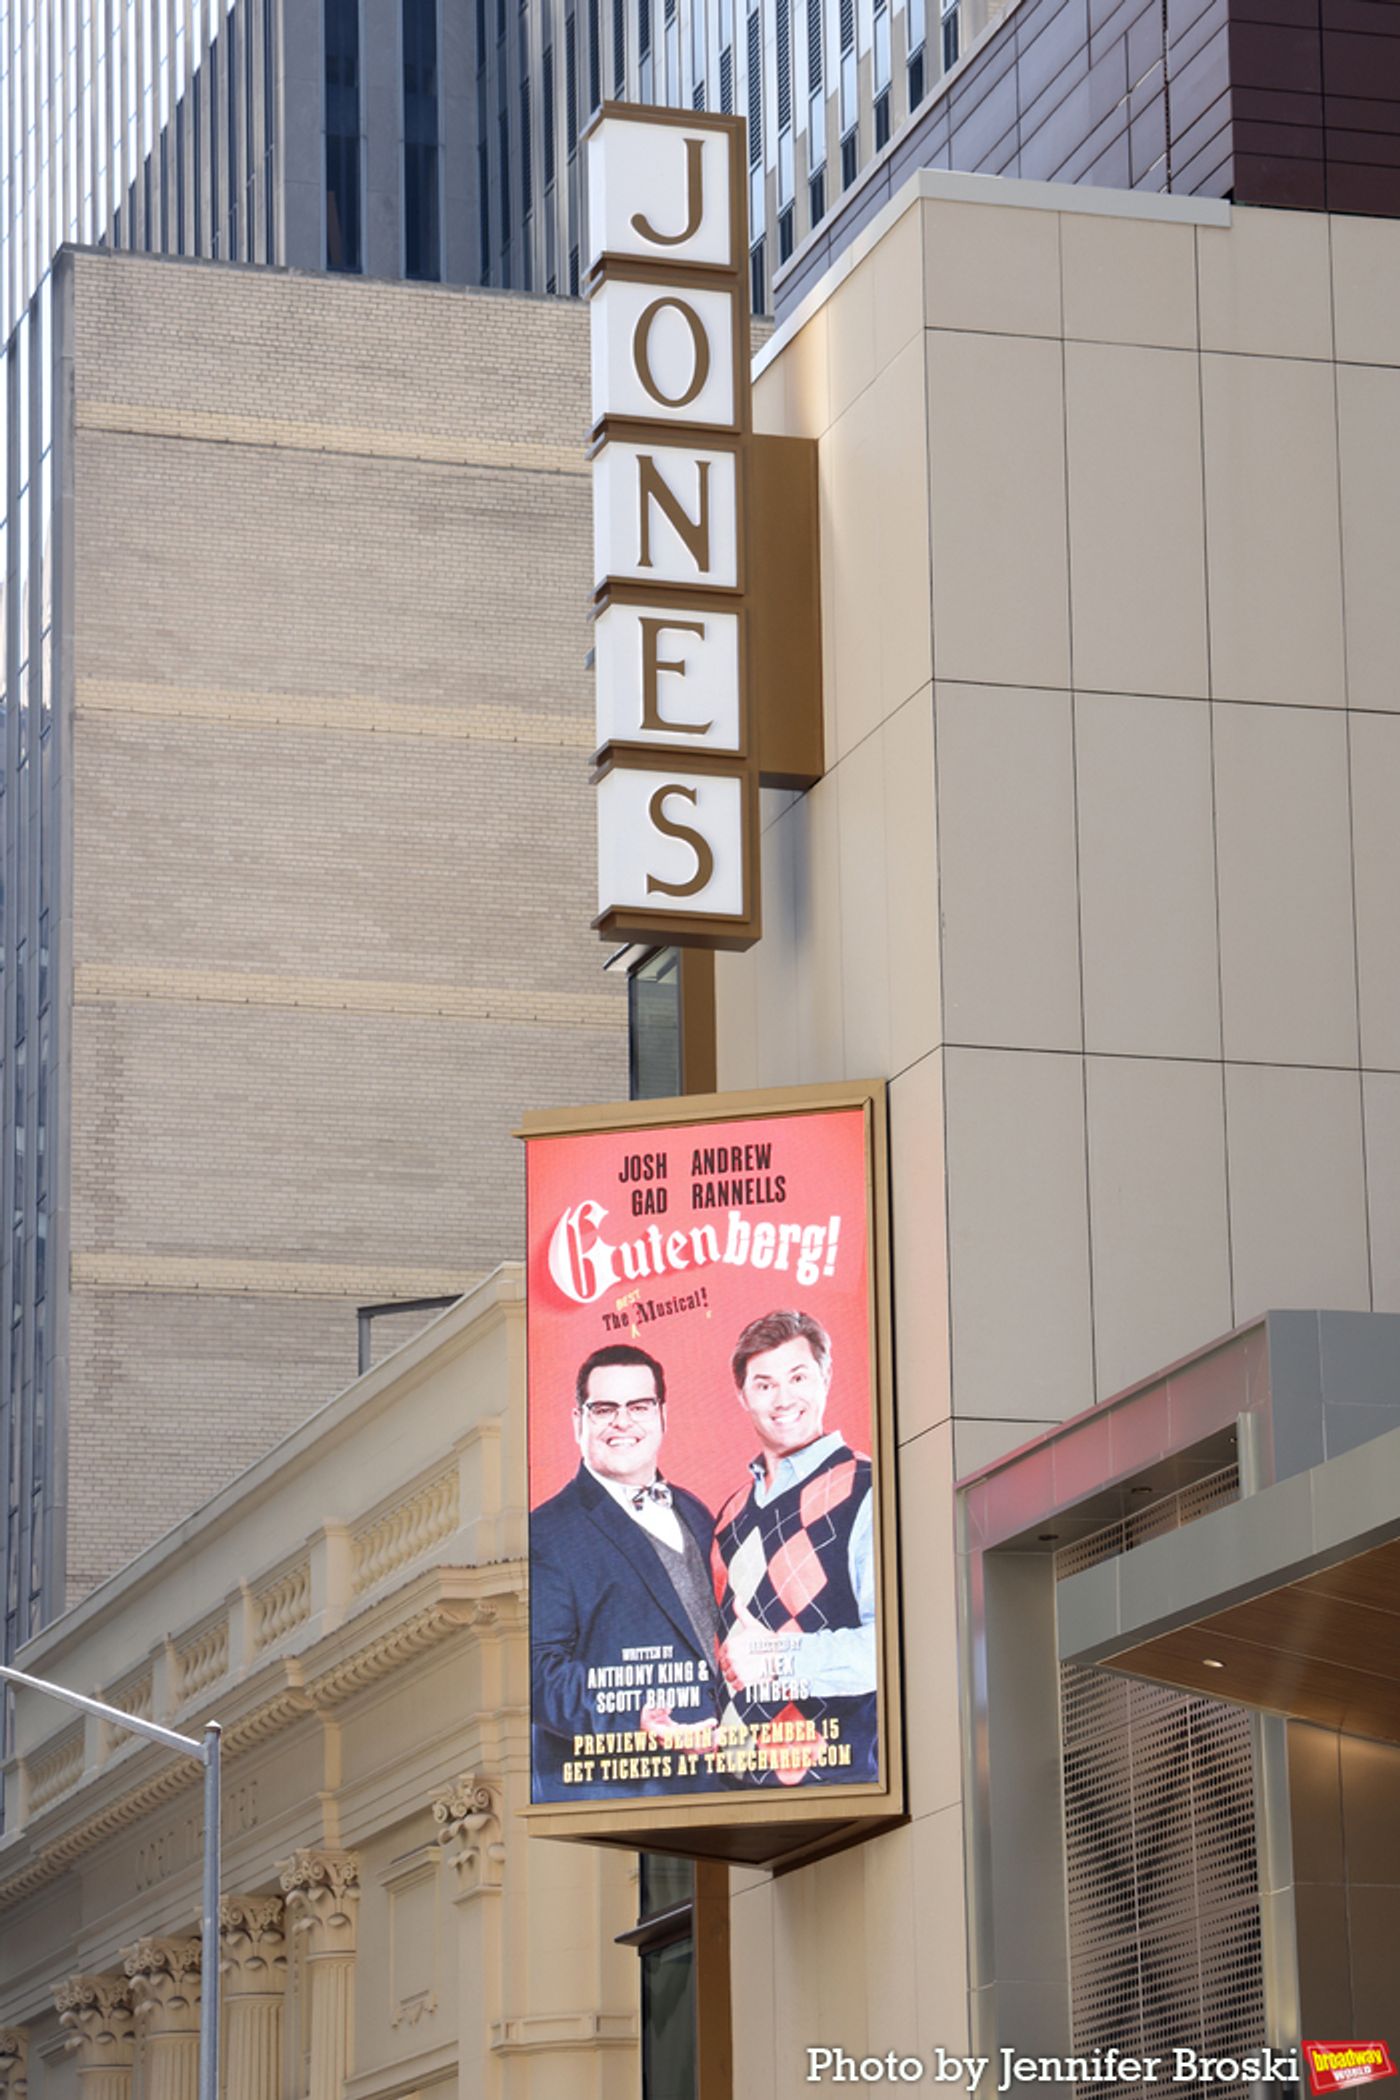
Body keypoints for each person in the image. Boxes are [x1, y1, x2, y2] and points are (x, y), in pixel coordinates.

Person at [530, 1342, 726, 1801]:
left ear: (662, 1416)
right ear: (578, 1421)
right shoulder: (544, 1531)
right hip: (620, 1794)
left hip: (716, 1780)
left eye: (638, 1406)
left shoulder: (694, 1511)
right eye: (604, 1409)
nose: (622, 1422)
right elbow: (537, 1672)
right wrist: (634, 1719)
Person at [710, 1309, 878, 1785]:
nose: (783, 1398)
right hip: (736, 1790)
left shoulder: (868, 1489)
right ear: (743, 1396)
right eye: (764, 1384)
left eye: (798, 1377)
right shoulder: (730, 1515)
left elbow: (891, 1649)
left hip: (843, 1787)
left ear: (826, 1378)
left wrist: (778, 1659)